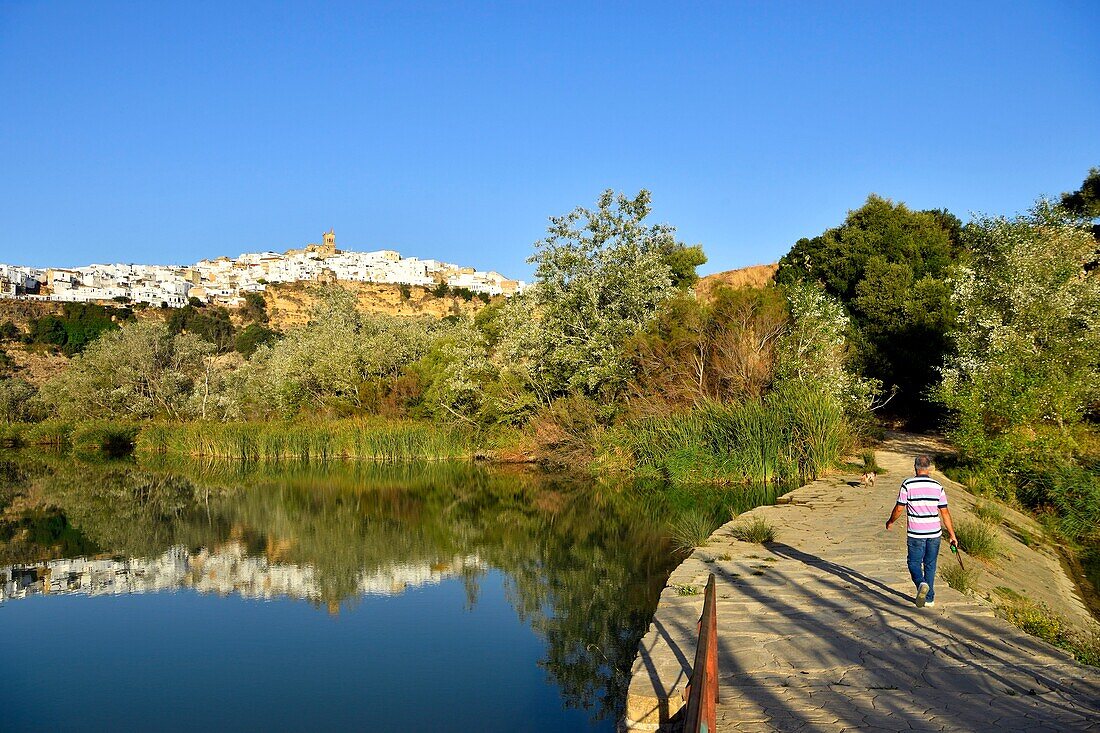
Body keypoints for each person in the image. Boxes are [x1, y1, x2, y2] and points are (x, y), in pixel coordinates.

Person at [885, 455, 958, 608]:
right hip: (934, 533)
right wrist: (952, 535)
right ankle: (930, 598)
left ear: (915, 467)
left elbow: (899, 508)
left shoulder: (908, 484)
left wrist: (891, 521)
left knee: (913, 563)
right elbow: (945, 512)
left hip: (916, 533)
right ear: (929, 468)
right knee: (930, 564)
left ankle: (920, 583)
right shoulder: (938, 486)